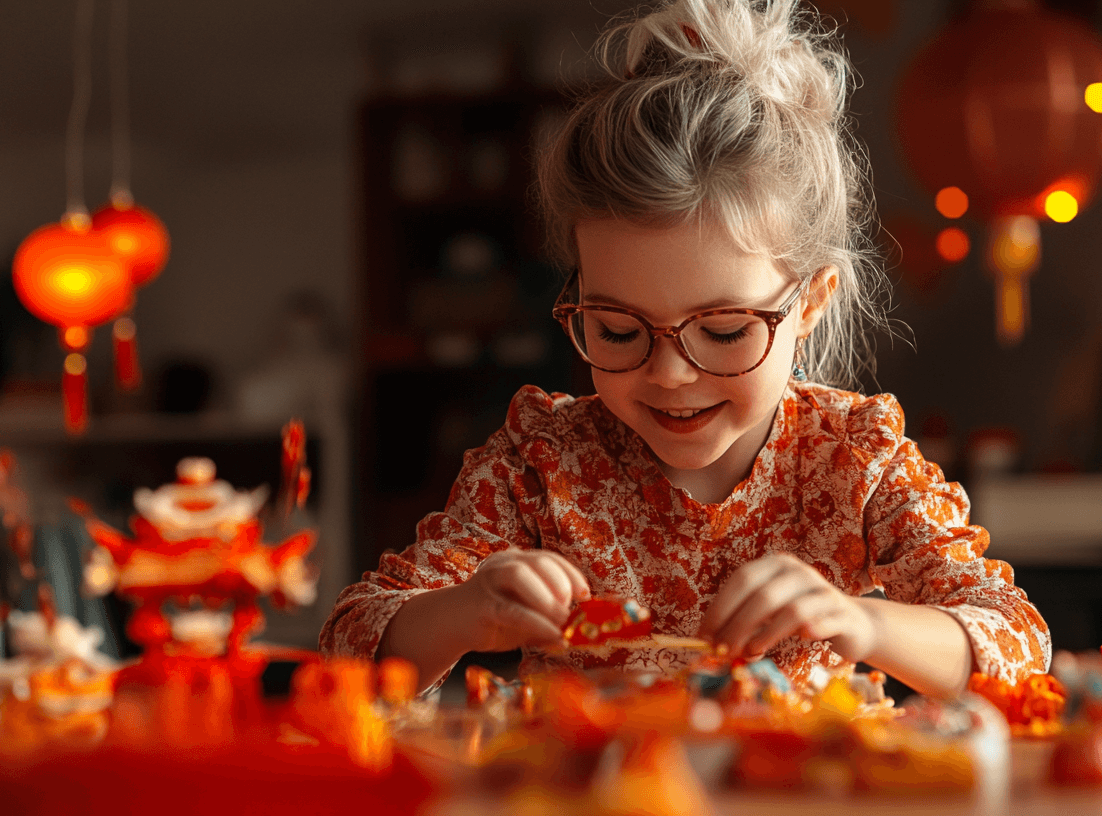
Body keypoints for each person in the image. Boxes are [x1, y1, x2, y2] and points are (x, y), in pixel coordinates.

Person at [321, 0, 1050, 695]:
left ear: (811, 303)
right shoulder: (539, 466)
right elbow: (350, 642)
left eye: (725, 331)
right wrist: (464, 612)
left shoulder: (854, 461)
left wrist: (861, 622)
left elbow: (1016, 641)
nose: (669, 373)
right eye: (617, 330)